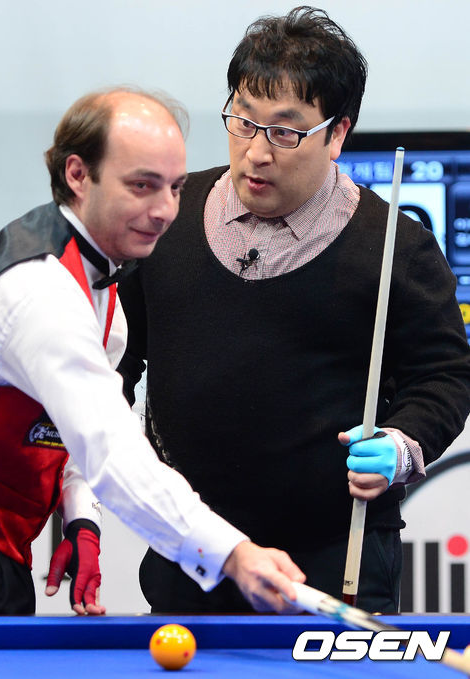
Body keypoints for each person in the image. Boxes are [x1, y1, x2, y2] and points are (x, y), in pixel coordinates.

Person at [117, 7, 470, 614]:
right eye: (243, 121)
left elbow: (445, 374)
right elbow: (115, 354)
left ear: (337, 134)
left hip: (335, 555)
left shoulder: (393, 245)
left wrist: (403, 443)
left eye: (285, 132)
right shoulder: (167, 216)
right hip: (192, 546)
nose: (256, 152)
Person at [0, 87, 307, 616]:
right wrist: (234, 555)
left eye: (175, 187)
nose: (165, 210)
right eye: (142, 186)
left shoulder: (101, 279)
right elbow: (111, 451)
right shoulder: (42, 291)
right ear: (78, 174)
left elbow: (80, 424)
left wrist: (82, 519)